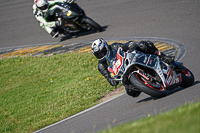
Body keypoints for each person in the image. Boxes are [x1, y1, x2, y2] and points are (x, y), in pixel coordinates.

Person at [91, 38, 174, 97]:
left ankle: (163, 57)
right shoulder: (101, 66)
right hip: (124, 75)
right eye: (98, 54)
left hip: (132, 61)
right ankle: (147, 85)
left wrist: (129, 45)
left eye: (102, 52)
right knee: (131, 92)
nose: (101, 55)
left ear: (106, 47)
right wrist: (113, 79)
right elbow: (110, 80)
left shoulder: (114, 46)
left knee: (143, 45)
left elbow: (126, 46)